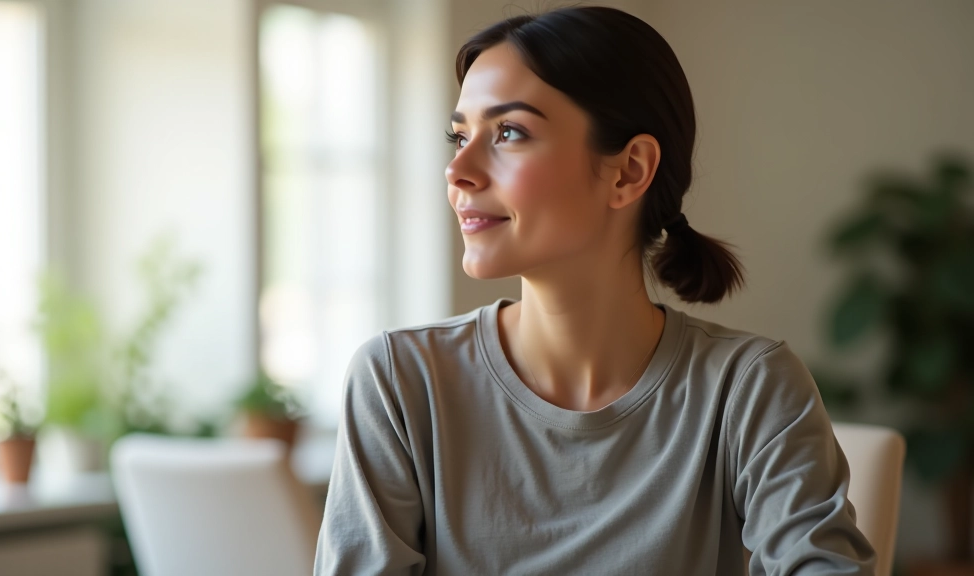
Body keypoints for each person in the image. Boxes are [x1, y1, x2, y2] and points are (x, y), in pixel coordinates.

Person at [314, 6, 876, 575]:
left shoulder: (749, 387)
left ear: (629, 170)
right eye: (459, 135)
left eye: (508, 132)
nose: (457, 169)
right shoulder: (399, 382)